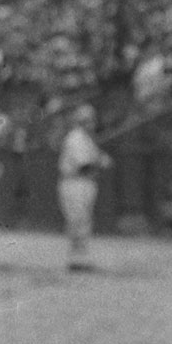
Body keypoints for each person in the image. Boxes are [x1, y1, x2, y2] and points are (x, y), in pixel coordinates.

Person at [57, 104, 112, 271]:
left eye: (92, 120)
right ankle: (75, 260)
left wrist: (101, 160)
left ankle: (79, 259)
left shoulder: (87, 139)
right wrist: (100, 162)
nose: (91, 123)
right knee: (77, 221)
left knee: (83, 221)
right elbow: (84, 166)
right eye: (87, 120)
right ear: (80, 121)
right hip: (74, 182)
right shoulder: (75, 138)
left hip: (84, 183)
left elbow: (100, 160)